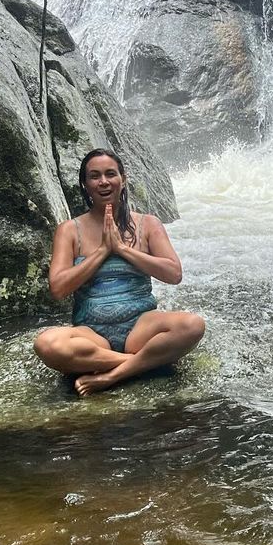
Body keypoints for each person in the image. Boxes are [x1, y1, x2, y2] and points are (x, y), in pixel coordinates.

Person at [33, 148, 205, 396]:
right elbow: (58, 288)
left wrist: (123, 249)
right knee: (47, 344)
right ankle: (144, 362)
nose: (103, 181)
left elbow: (173, 273)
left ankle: (112, 374)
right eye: (94, 176)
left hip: (141, 327)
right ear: (85, 184)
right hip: (91, 334)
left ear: (123, 179)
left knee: (192, 325)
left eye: (110, 174)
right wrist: (103, 251)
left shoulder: (148, 224)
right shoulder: (69, 230)